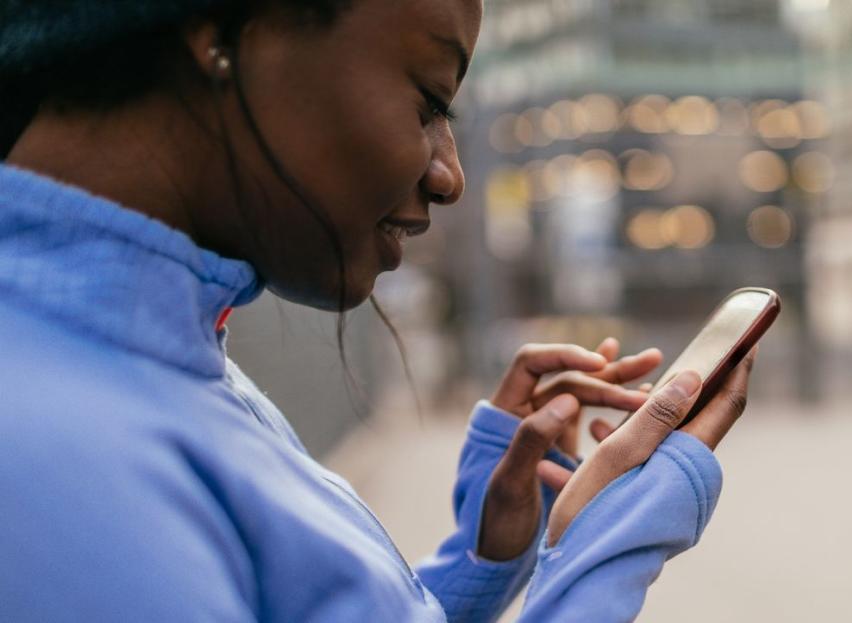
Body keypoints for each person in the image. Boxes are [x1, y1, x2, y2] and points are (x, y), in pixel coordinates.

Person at [0, 1, 756, 621]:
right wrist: (599, 555)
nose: (450, 174)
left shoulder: (157, 353)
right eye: (429, 100)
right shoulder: (45, 460)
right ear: (219, 32)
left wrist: (482, 558)